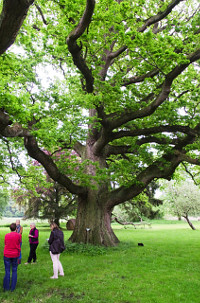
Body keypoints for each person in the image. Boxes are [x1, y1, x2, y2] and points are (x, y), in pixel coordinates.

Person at [3, 223, 22, 291]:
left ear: (10, 228)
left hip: (7, 254)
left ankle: (6, 287)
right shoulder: (18, 235)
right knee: (14, 270)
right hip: (15, 255)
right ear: (16, 228)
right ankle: (12, 288)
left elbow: (5, 243)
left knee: (7, 270)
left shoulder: (6, 235)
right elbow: (19, 242)